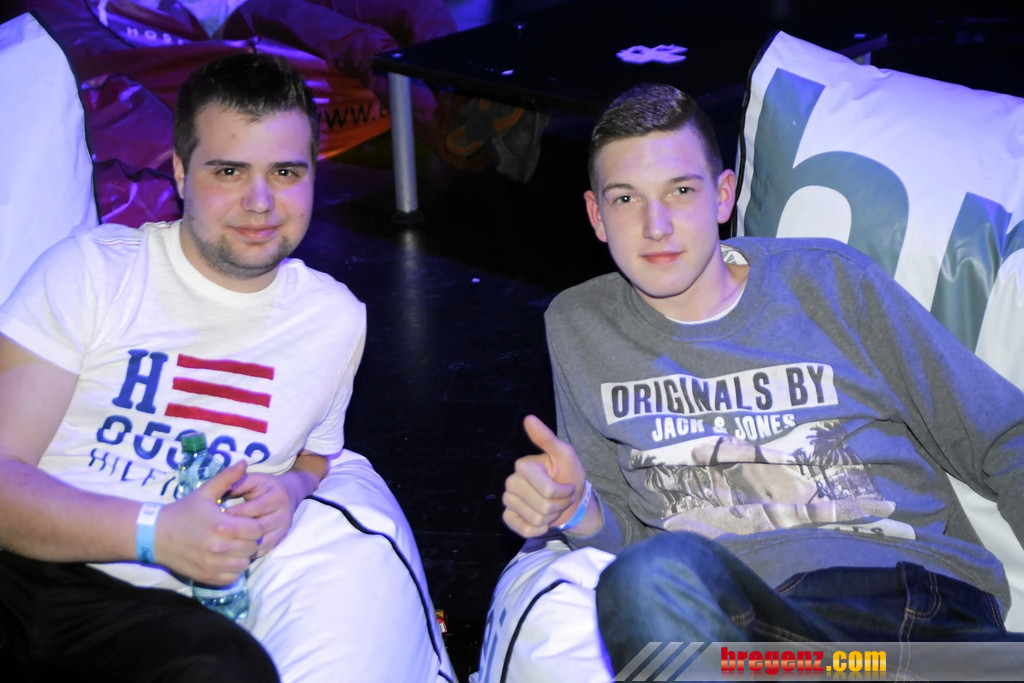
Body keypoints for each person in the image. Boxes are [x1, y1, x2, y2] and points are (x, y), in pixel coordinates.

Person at [500, 82, 1024, 673]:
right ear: (597, 215)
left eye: (680, 190)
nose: (656, 225)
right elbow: (627, 546)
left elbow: (1005, 438)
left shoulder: (830, 281)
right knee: (646, 577)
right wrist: (577, 510)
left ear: (723, 196)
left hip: (922, 607)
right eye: (625, 199)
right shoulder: (580, 326)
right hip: (766, 635)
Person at [0, 52, 439, 682]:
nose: (260, 202)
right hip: (21, 563)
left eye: (285, 172)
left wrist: (292, 490)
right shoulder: (94, 270)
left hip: (142, 612)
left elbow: (317, 452)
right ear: (181, 173)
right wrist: (154, 533)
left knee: (230, 671)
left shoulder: (334, 320)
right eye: (229, 170)